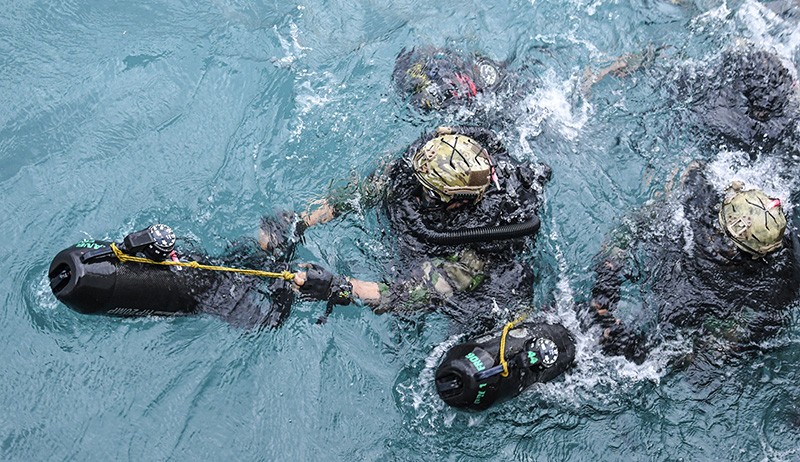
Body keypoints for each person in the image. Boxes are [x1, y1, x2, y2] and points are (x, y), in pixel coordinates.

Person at [259, 125, 552, 331]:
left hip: (481, 283)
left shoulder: (479, 248)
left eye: (428, 192)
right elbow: (362, 192)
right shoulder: (420, 170)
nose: (414, 191)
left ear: (457, 202)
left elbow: (411, 293)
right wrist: (299, 222)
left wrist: (339, 286)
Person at [585, 161, 800, 364]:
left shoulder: (777, 285)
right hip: (662, 275)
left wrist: (657, 354)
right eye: (720, 232)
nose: (719, 244)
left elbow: (724, 343)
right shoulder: (701, 195)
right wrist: (607, 278)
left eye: (731, 245)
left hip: (682, 305)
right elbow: (634, 225)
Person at [587, 41, 799, 157]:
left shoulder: (717, 78)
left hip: (676, 96)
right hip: (695, 129)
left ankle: (604, 72)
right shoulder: (776, 133)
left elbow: (741, 47)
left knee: (658, 65)